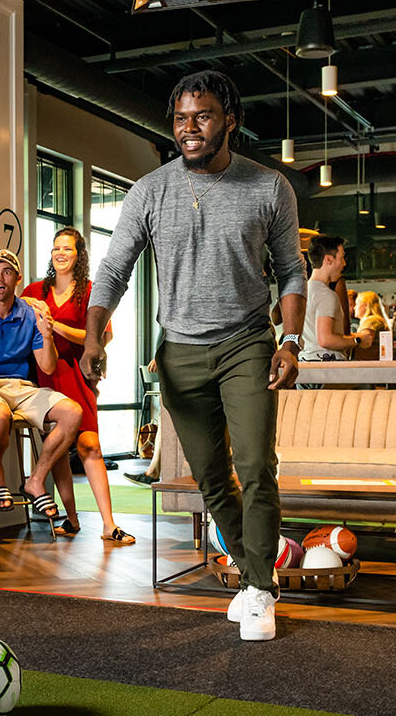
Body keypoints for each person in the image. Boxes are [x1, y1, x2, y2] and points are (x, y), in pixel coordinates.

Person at [80, 69, 307, 642]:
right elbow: (113, 269)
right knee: (210, 479)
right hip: (179, 353)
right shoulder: (150, 191)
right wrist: (92, 335)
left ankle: (260, 588)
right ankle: (253, 578)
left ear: (229, 118)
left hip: (246, 345)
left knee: (256, 466)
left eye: (202, 116)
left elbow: (291, 270)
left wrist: (292, 340)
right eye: (181, 119)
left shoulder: (268, 186)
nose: (189, 128)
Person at [0, 249, 83, 522]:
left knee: (73, 413)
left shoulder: (32, 314)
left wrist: (47, 336)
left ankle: (36, 479)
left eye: (7, 272)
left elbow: (47, 367)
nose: (0, 278)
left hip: (22, 387)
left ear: (17, 278)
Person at [21, 228, 133, 544]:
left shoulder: (91, 292)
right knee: (56, 451)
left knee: (89, 445)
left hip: (77, 376)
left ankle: (109, 524)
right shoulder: (35, 289)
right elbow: (15, 315)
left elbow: (99, 337)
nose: (60, 253)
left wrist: (54, 324)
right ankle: (71, 519)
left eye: (67, 249)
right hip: (43, 376)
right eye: (56, 247)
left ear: (79, 255)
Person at [300, 234, 372, 363]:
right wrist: (358, 340)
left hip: (306, 366)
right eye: (342, 257)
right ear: (328, 259)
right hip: (326, 371)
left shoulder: (304, 292)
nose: (344, 263)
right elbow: (326, 339)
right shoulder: (326, 295)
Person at [351, 291, 389, 361]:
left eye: (357, 304)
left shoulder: (371, 321)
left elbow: (365, 339)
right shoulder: (376, 320)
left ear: (366, 305)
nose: (354, 308)